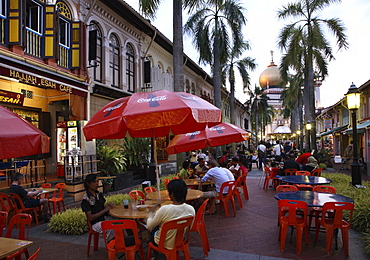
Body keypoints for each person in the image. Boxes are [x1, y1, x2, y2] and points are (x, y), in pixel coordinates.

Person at [146, 179, 195, 250]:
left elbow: (149, 226)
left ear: (171, 194)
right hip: (180, 241)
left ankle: (156, 255)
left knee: (153, 230)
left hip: (163, 243)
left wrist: (150, 214)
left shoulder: (164, 209)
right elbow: (189, 228)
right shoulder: (191, 209)